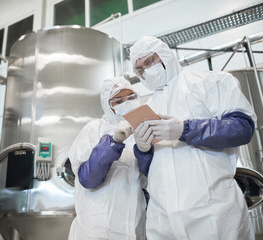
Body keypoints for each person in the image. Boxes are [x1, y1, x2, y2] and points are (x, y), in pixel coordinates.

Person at [129, 36, 256, 240]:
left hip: (212, 212)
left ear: (165, 55)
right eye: (140, 69)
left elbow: (243, 128)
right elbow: (148, 170)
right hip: (163, 220)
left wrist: (185, 129)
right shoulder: (148, 107)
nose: (146, 70)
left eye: (149, 61)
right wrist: (142, 150)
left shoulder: (210, 82)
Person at [68, 76, 154, 240]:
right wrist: (114, 142)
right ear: (108, 105)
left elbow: (149, 180)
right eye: (118, 100)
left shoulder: (142, 130)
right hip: (97, 228)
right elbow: (88, 178)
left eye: (131, 97)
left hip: (134, 226)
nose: (127, 103)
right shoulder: (93, 129)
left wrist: (144, 151)